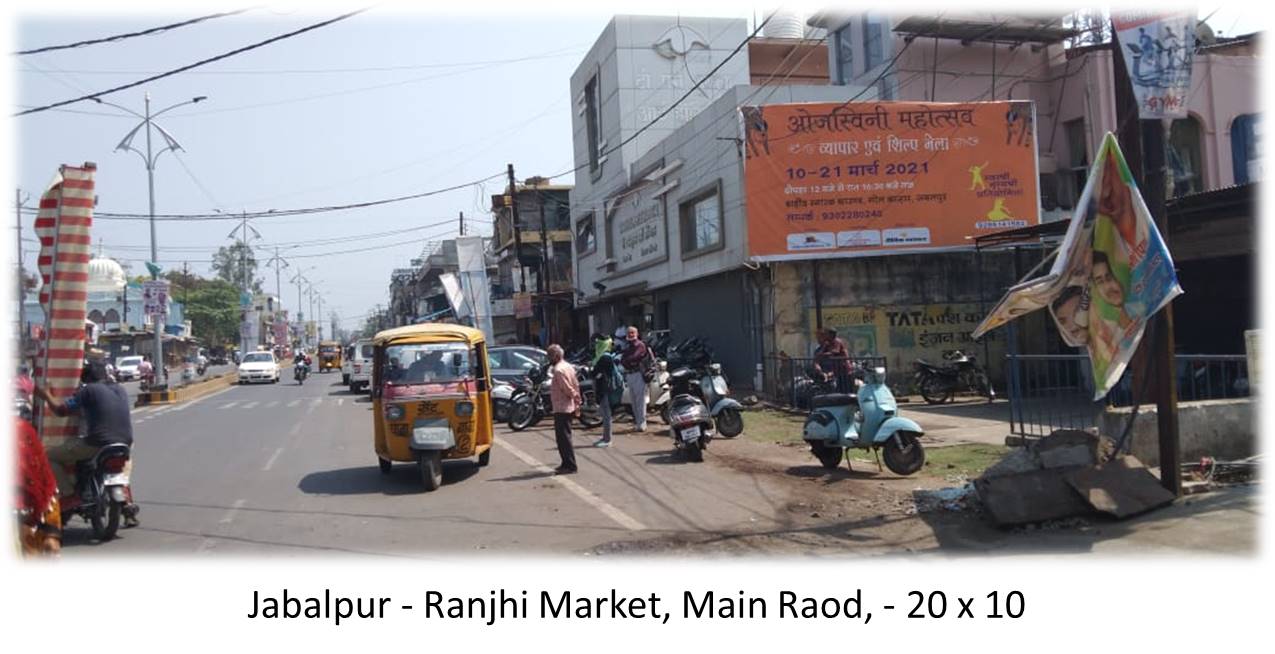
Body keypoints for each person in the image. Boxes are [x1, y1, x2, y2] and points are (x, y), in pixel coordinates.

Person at [34, 360, 139, 527]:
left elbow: (61, 410)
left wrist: (47, 395)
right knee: (122, 470)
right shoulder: (120, 389)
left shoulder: (88, 390)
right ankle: (127, 503)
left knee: (48, 457)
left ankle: (69, 495)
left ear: (86, 379)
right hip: (125, 442)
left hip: (96, 443)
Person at [546, 344, 581, 474]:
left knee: (563, 439)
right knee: (564, 437)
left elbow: (567, 388)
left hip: (562, 407)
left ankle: (570, 465)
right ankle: (565, 463)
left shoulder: (559, 370)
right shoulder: (568, 366)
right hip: (565, 406)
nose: (549, 359)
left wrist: (575, 397)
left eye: (550, 356)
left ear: (556, 356)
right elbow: (575, 384)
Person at [619, 326, 651, 432]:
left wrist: (628, 361)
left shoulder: (640, 345)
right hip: (629, 374)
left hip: (638, 374)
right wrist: (628, 361)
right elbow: (623, 360)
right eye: (629, 333)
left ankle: (642, 424)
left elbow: (635, 357)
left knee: (640, 400)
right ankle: (638, 423)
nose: (631, 334)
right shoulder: (628, 346)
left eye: (632, 332)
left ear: (637, 334)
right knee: (633, 401)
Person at [590, 349, 621, 448]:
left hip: (605, 391)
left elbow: (594, 373)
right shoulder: (607, 360)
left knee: (607, 415)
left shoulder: (605, 360)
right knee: (605, 415)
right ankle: (605, 437)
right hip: (605, 391)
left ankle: (607, 439)